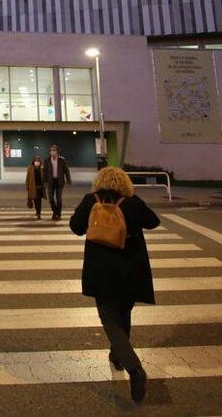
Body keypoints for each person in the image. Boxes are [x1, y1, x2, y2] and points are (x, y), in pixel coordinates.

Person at [69, 166, 160, 404]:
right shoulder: (132, 202)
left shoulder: (91, 200)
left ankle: (133, 367)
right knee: (124, 312)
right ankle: (117, 355)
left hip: (102, 269)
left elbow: (75, 227)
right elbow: (154, 222)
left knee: (109, 317)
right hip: (130, 269)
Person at [42, 144, 71, 220]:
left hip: (59, 181)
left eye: (54, 150)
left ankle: (59, 214)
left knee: (59, 198)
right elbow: (44, 171)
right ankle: (55, 212)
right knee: (51, 198)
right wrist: (44, 181)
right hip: (50, 181)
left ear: (57, 151)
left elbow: (66, 171)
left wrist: (68, 180)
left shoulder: (62, 160)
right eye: (51, 150)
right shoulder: (47, 160)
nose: (52, 152)